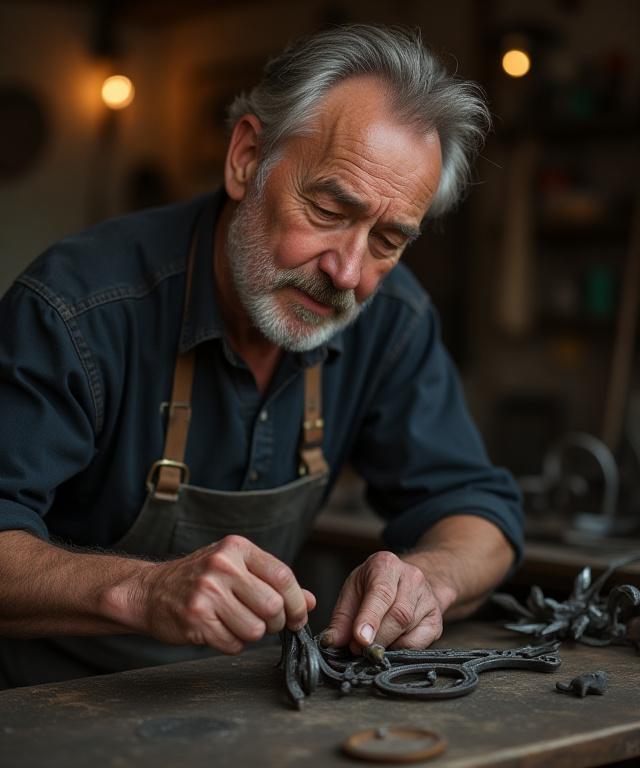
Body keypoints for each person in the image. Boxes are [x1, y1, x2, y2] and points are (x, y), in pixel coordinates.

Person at [0, 24, 523, 689]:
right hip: (46, 708)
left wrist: (429, 580)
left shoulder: (390, 318)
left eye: (389, 239)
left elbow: (478, 509)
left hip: (242, 704)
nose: (347, 272)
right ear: (247, 157)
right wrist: (141, 592)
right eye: (330, 208)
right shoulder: (78, 309)